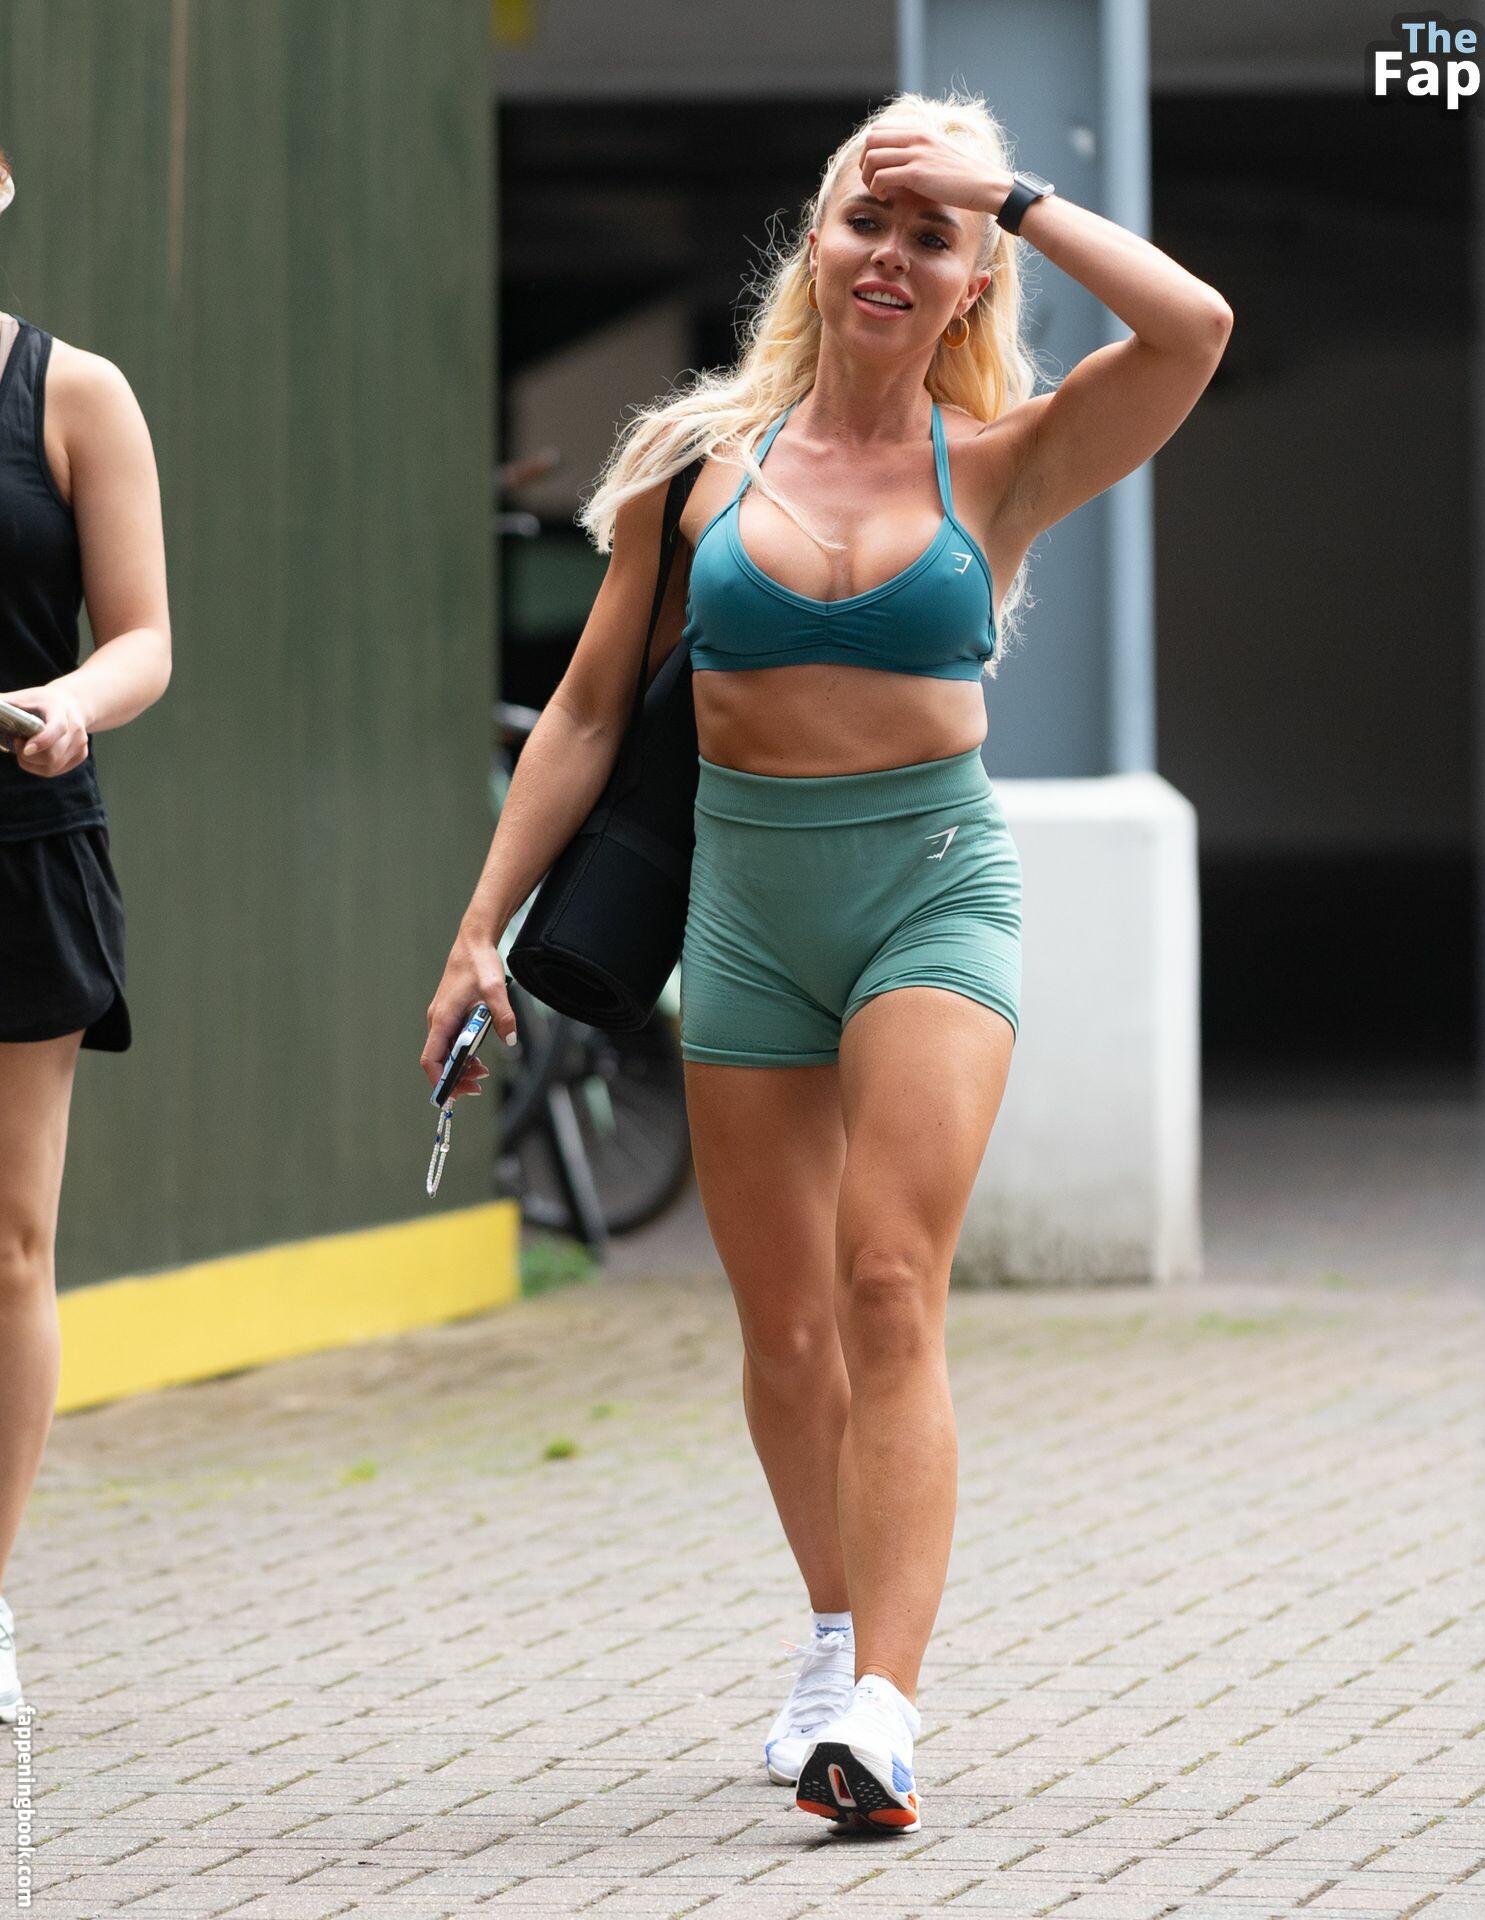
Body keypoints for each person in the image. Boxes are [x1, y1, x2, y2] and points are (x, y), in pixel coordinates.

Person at [424, 91, 1229, 1834]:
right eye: (869, 217)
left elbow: (1193, 328)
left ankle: (885, 1711)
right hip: (745, 914)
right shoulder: (695, 465)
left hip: (931, 896)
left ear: (971, 281)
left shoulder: (1001, 461)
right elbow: (584, 712)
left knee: (885, 1283)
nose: (893, 255)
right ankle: (831, 1635)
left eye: (933, 239)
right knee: (785, 1326)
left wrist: (1008, 193)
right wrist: (480, 928)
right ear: (815, 239)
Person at [0, 146, 173, 1724]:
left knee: (9, 1242)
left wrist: (70, 701)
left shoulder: (73, 394)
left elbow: (142, 636)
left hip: (21, 845)